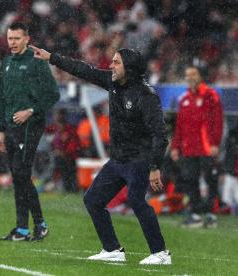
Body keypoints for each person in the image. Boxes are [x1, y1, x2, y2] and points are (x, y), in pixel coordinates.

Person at [30, 45, 171, 264]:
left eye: (116, 62)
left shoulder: (146, 95)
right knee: (93, 200)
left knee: (136, 201)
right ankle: (113, 249)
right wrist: (52, 58)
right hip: (118, 160)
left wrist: (154, 166)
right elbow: (83, 70)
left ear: (130, 68)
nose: (110, 66)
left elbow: (160, 134)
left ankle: (161, 253)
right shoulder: (112, 83)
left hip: (139, 160)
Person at [0, 22, 59, 241]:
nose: (12, 43)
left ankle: (38, 224)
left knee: (21, 174)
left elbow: (53, 94)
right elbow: (2, 99)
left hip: (30, 126)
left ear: (26, 39)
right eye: (10, 38)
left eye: (16, 38)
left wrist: (30, 111)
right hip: (11, 128)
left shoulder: (37, 63)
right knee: (18, 176)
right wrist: (1, 130)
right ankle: (23, 228)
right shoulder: (5, 63)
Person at [170, 66, 223, 228]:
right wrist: (175, 147)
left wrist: (215, 143)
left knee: (210, 180)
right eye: (187, 75)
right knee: (191, 180)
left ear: (200, 76)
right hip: (189, 147)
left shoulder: (210, 95)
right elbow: (179, 126)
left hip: (206, 147)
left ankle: (211, 215)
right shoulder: (183, 99)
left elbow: (218, 122)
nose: (190, 77)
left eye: (193, 74)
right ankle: (196, 214)